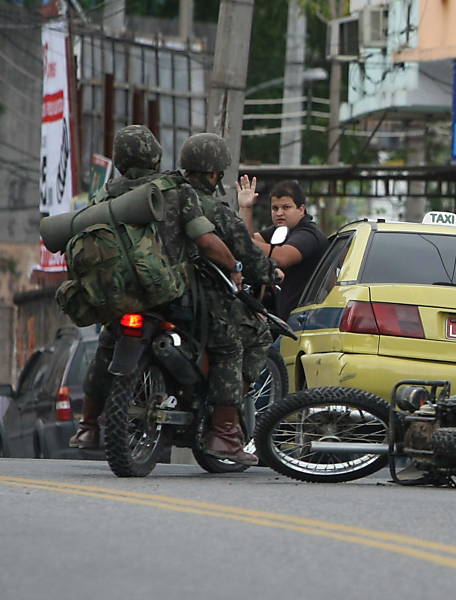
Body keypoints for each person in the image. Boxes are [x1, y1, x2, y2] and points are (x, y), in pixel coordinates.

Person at [68, 125, 241, 451]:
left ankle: (88, 427)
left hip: (121, 298)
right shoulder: (176, 191)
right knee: (227, 344)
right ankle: (225, 433)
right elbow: (206, 240)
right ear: (155, 156)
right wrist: (234, 267)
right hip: (171, 298)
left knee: (106, 346)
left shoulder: (104, 194)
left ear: (118, 160)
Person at [178, 133, 277, 465]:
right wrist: (271, 272)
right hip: (198, 302)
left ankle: (90, 422)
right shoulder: (214, 212)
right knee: (234, 346)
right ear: (212, 174)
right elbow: (249, 254)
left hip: (155, 295)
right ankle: (225, 432)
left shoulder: (158, 199)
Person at [237, 176, 325, 319]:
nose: (279, 213)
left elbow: (282, 257)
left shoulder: (309, 234)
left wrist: (240, 239)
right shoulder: (281, 230)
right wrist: (245, 208)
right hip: (288, 320)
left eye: (286, 207)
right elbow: (250, 243)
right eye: (275, 208)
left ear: (301, 209)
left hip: (308, 321)